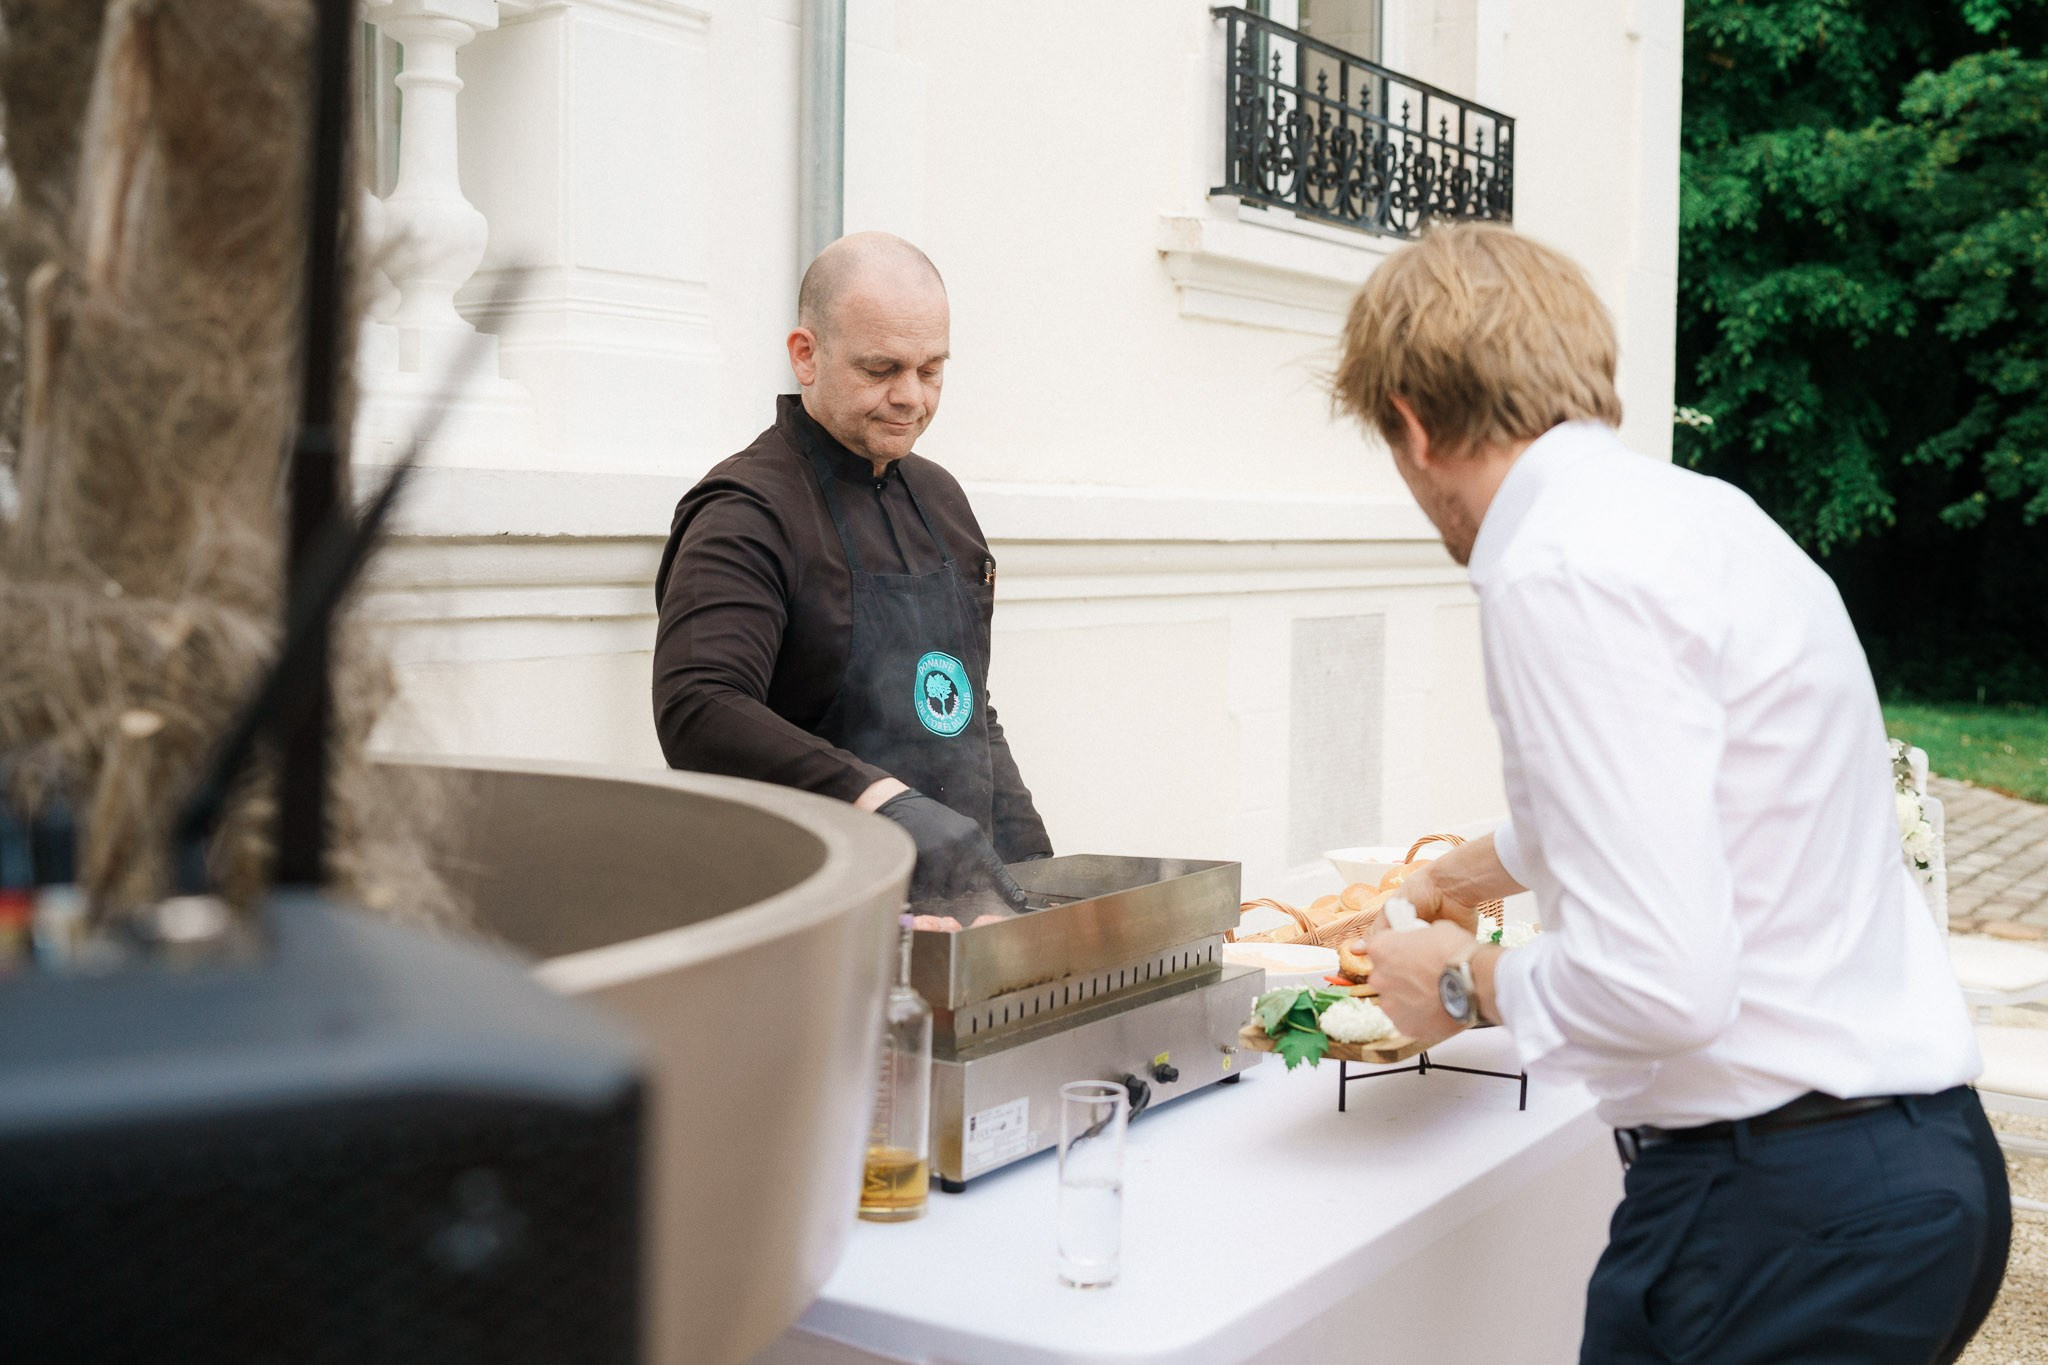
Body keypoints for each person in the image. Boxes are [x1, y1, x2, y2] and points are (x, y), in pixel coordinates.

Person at [1337, 223, 2008, 1363]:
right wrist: (1460, 873)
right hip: (1913, 1176)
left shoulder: (1554, 570)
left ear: (1408, 420)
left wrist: (1456, 981)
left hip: (1778, 1213)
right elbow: (1703, 791)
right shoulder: (1699, 517)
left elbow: (1660, 984)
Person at [653, 232, 1051, 918]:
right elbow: (700, 705)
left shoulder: (944, 502)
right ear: (806, 355)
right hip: (816, 911)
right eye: (881, 368)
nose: (910, 396)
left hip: (956, 914)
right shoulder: (746, 510)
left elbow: (965, 708)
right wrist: (885, 801)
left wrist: (1034, 872)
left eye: (931, 370)